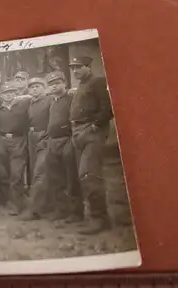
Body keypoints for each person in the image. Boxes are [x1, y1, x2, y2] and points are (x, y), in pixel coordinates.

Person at [69, 56, 114, 234]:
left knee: (89, 174)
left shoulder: (98, 82)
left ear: (88, 66)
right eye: (72, 68)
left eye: (78, 67)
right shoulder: (82, 85)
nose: (75, 71)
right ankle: (92, 216)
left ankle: (99, 219)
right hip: (78, 133)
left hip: (92, 133)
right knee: (83, 175)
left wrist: (94, 126)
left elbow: (108, 107)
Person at [19, 77, 52, 220]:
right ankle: (45, 206)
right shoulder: (29, 102)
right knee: (34, 173)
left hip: (45, 136)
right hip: (31, 137)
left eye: (38, 86)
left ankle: (33, 210)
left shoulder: (50, 100)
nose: (34, 89)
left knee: (40, 172)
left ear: (44, 88)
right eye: (32, 87)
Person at [0, 82, 30, 216]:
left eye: (11, 92)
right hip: (1, 140)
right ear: (1, 95)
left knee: (16, 174)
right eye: (5, 93)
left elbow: (33, 97)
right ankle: (8, 201)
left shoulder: (23, 105)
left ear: (15, 93)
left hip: (17, 140)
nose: (8, 95)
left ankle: (17, 204)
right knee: (3, 173)